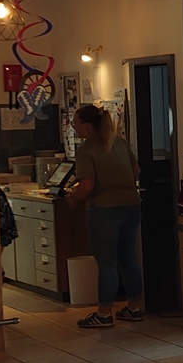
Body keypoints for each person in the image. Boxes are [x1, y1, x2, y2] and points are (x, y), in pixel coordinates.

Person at [68, 105, 145, 328]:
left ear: (86, 125)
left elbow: (87, 185)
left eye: (75, 123)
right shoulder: (119, 143)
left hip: (104, 210)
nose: (73, 127)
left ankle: (103, 314)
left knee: (107, 262)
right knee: (127, 258)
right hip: (131, 205)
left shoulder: (86, 150)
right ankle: (134, 307)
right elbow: (136, 171)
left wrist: (73, 196)